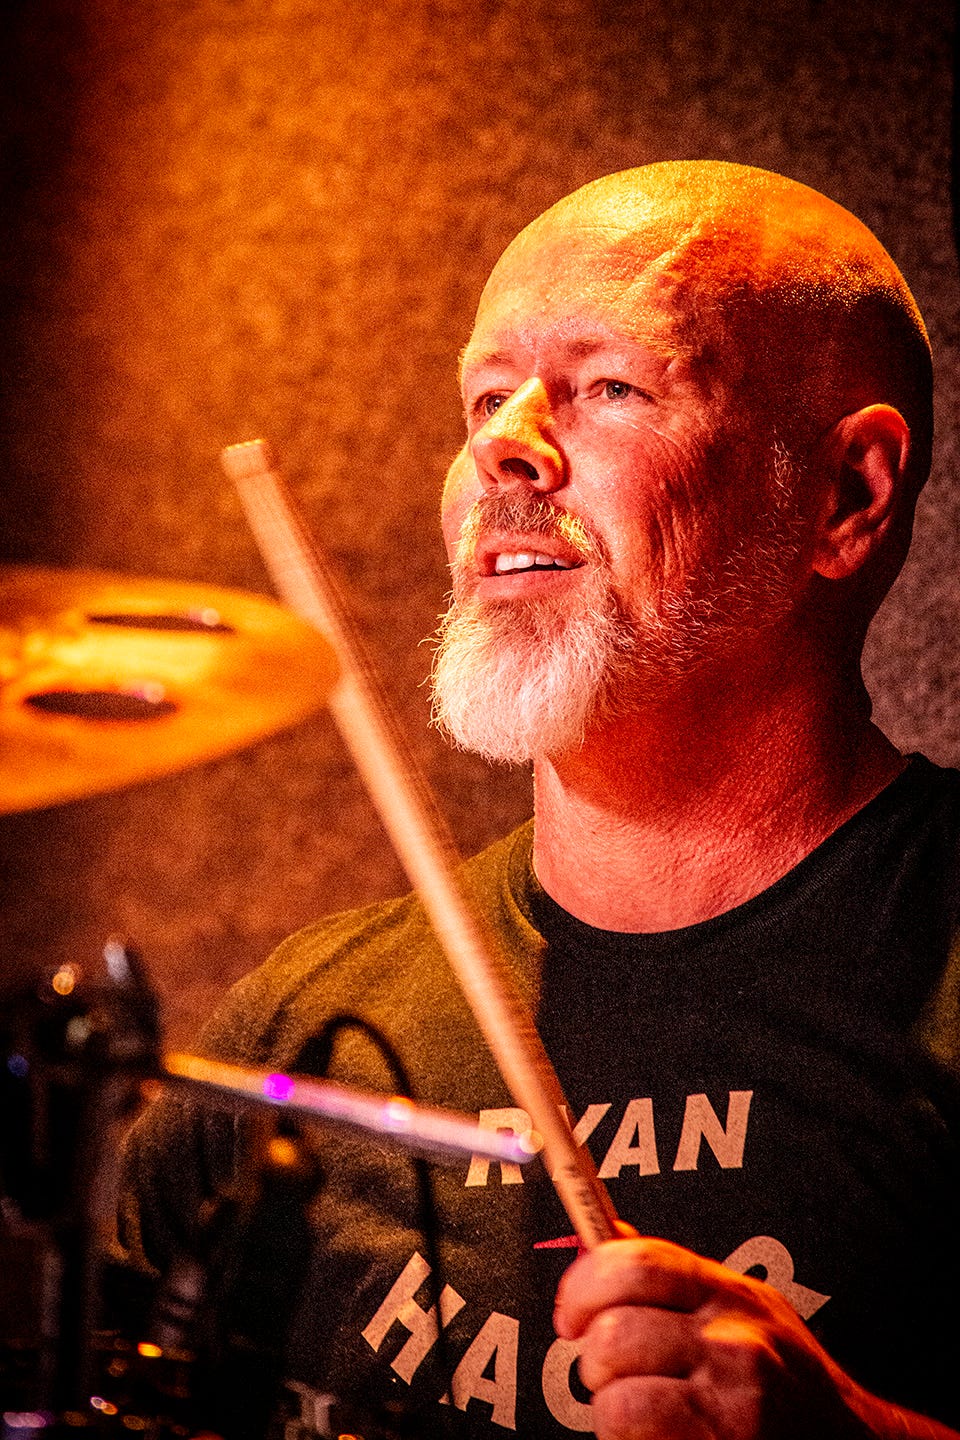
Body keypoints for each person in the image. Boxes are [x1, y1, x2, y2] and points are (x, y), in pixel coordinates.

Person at [120, 162, 960, 1440]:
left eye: (612, 387)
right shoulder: (298, 1040)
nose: (501, 443)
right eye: (484, 396)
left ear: (847, 495)